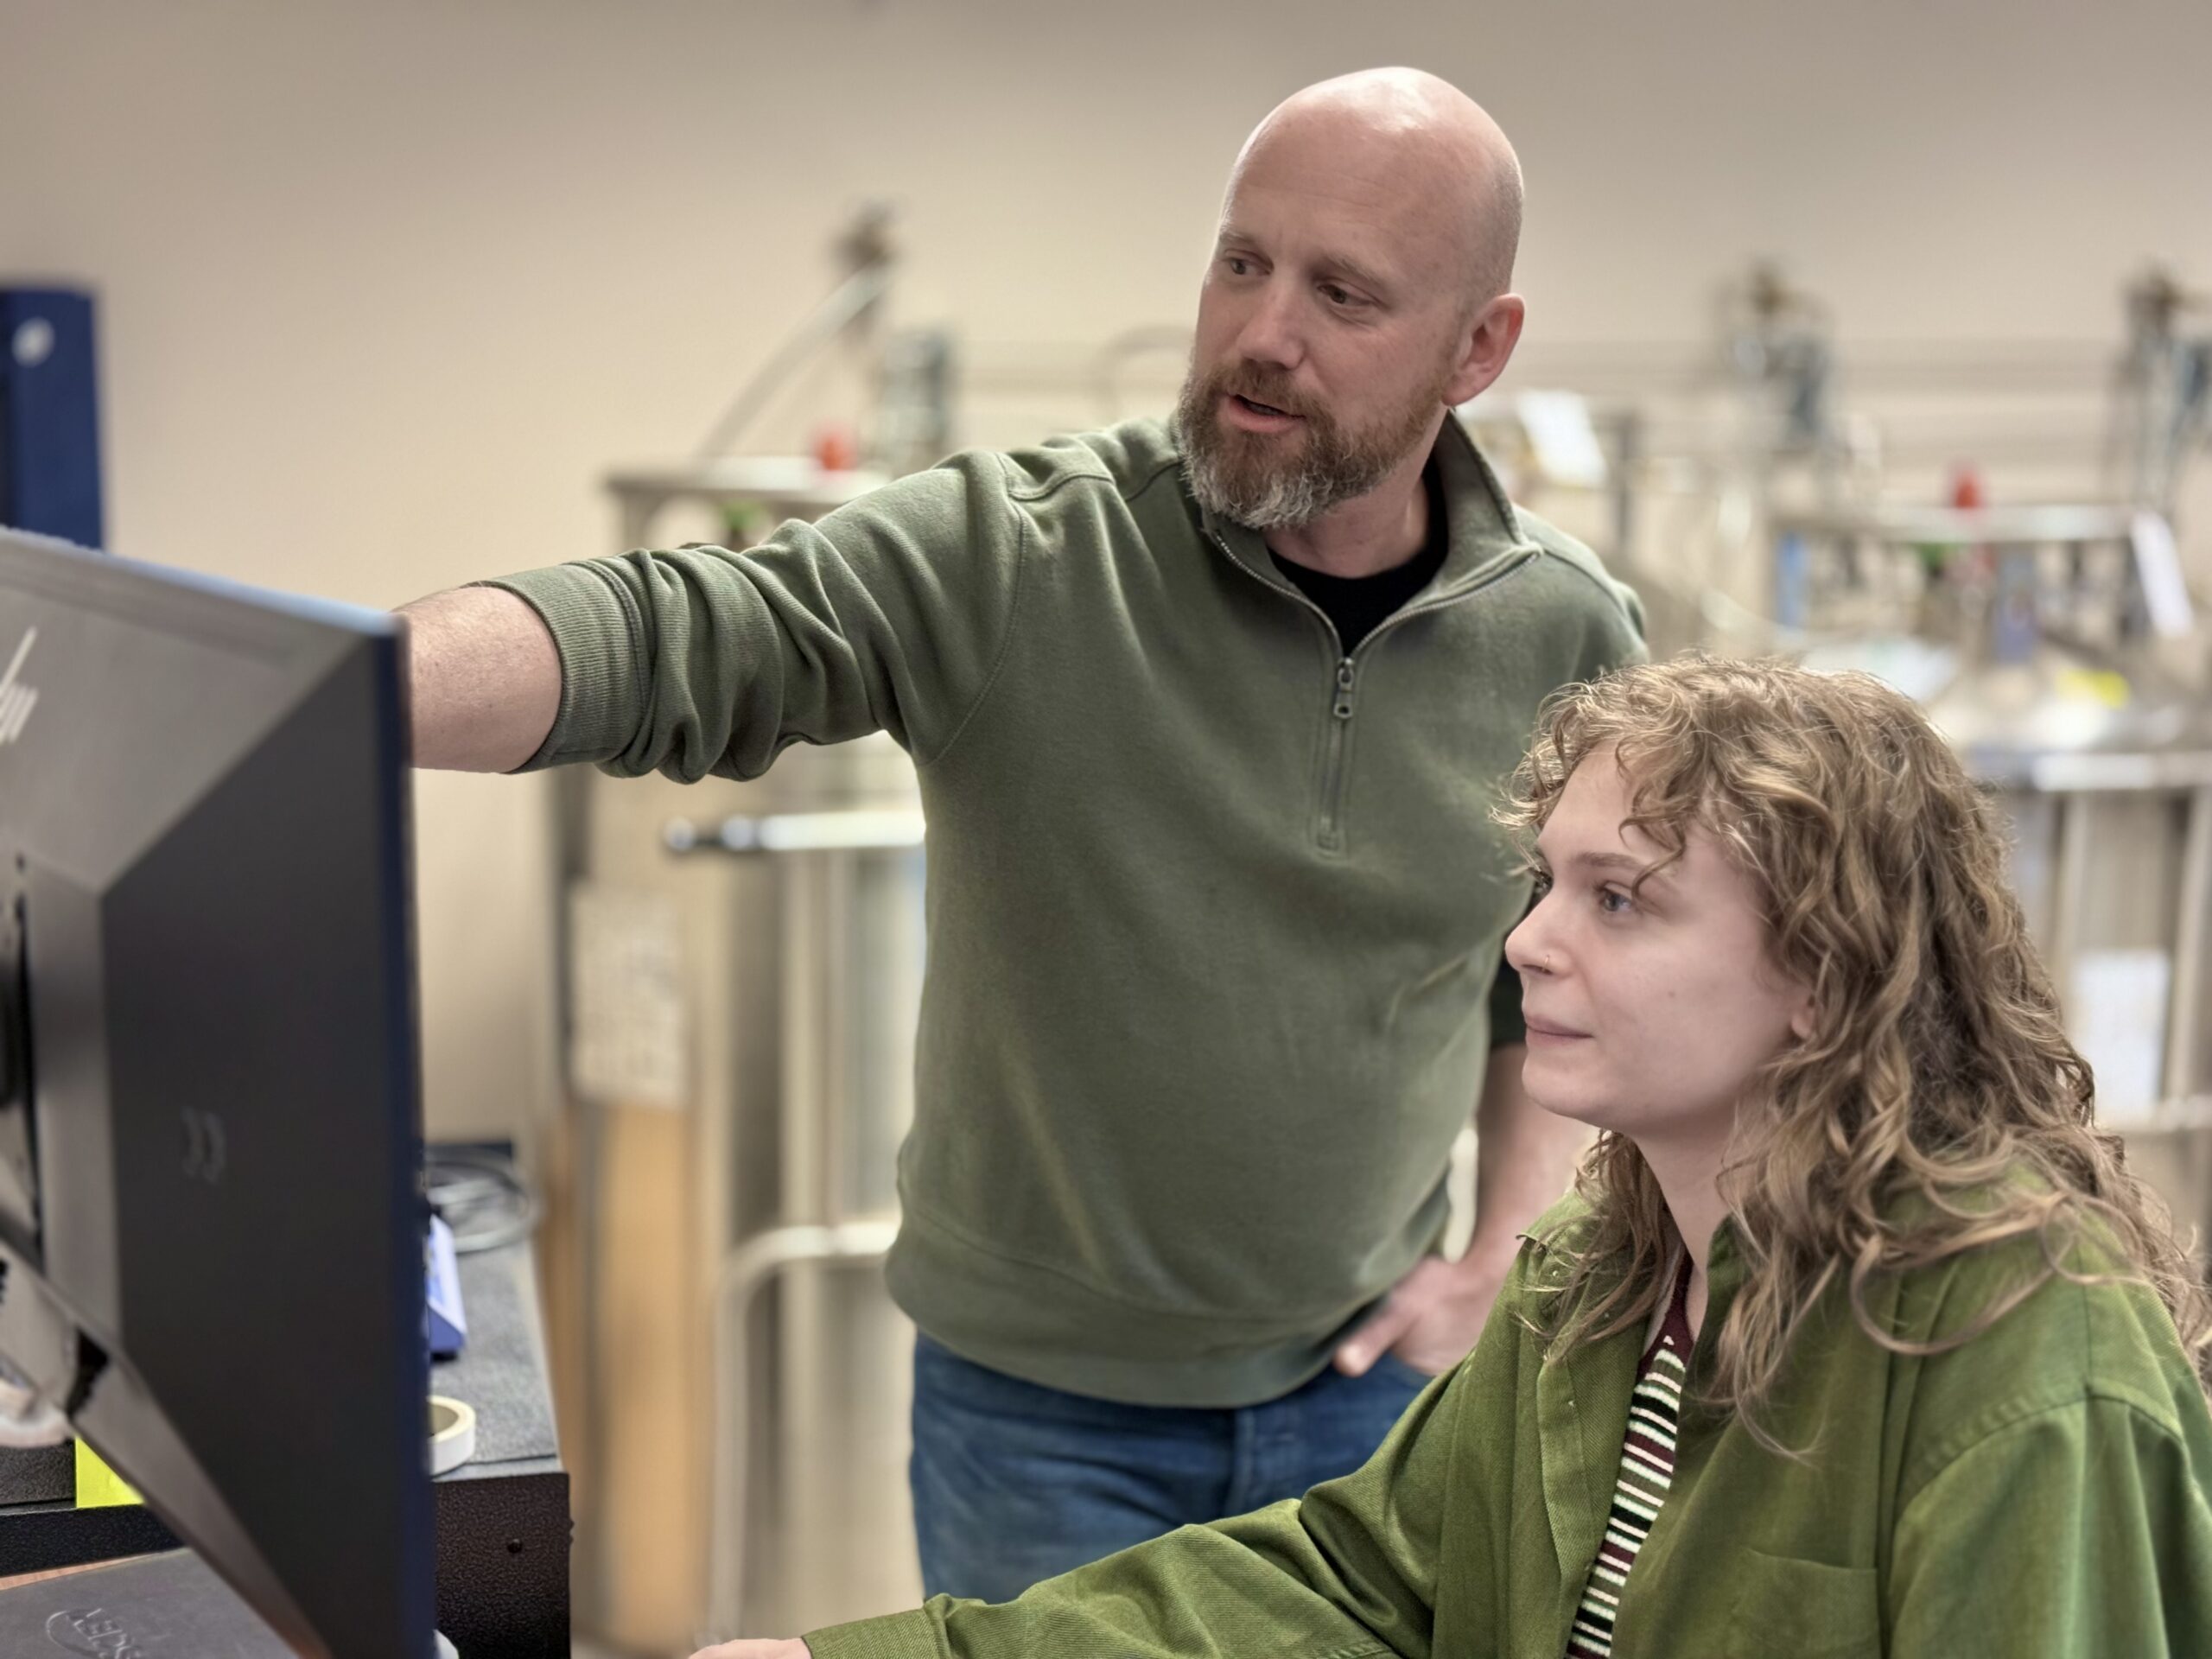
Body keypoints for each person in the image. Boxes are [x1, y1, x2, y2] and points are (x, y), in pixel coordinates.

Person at [400, 67, 1645, 1598]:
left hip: (1376, 1402)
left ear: (1479, 348)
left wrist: (1507, 1248)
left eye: (1343, 292)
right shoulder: (1028, 553)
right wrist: (338, 701)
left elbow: (1553, 984)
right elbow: (686, 630)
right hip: (1046, 1425)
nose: (1263, 330)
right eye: (1240, 261)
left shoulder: (1568, 635)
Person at [696, 653, 2212, 1659]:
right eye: (1545, 883)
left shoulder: (2022, 1350)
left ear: (1827, 968)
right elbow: (1363, 1583)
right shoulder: (1601, 1275)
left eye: (1620, 900)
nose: (1530, 944)